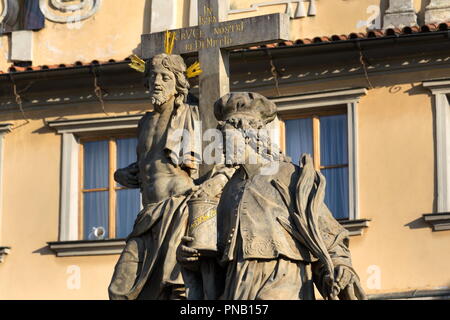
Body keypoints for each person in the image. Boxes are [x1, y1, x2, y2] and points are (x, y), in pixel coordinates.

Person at [177, 92, 366, 300]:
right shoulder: (228, 191)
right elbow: (218, 257)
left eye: (227, 133)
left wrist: (340, 266)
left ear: (249, 133)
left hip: (284, 280)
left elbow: (325, 234)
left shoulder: (289, 175)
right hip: (237, 286)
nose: (220, 144)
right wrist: (193, 260)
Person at [108, 53, 201, 300]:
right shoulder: (144, 122)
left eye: (165, 77)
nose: (157, 82)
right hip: (147, 214)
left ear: (178, 82)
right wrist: (127, 172)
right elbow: (150, 161)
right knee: (120, 287)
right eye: (152, 77)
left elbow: (210, 158)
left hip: (178, 208)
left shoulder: (193, 113)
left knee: (174, 289)